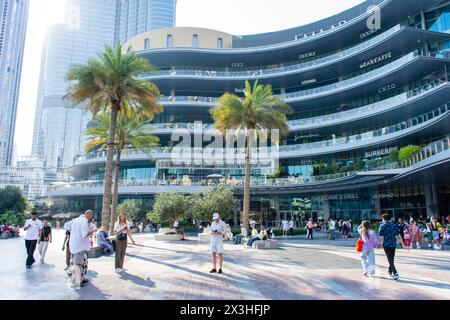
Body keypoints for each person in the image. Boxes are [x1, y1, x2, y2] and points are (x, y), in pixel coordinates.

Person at [68, 210, 96, 288]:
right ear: (87, 214)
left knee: (77, 263)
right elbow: (85, 234)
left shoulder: (76, 220)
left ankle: (79, 278)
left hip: (74, 245)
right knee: (78, 264)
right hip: (80, 246)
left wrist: (74, 232)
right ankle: (76, 281)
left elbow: (66, 226)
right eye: (91, 215)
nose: (91, 217)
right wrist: (93, 230)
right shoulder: (84, 222)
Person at [378, 213, 408, 280]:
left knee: (389, 259)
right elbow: (398, 236)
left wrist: (379, 244)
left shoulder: (382, 226)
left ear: (383, 219)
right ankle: (390, 271)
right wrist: (403, 244)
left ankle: (395, 273)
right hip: (393, 243)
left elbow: (380, 236)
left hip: (386, 244)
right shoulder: (394, 225)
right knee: (391, 258)